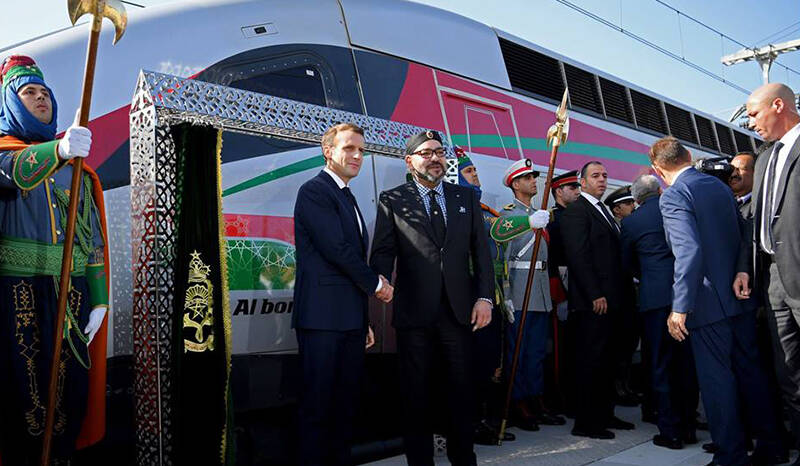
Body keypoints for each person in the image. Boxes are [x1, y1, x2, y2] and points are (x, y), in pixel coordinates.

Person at [0, 55, 110, 464]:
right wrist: (59, 149)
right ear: (10, 102)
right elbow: (16, 173)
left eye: (45, 92)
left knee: (70, 384)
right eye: (29, 92)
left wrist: (98, 295)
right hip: (18, 288)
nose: (41, 98)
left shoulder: (77, 166)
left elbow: (91, 230)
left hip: (72, 286)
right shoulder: (6, 152)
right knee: (23, 383)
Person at [651, 136, 786, 466]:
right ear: (690, 156)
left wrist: (679, 306)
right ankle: (772, 445)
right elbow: (744, 237)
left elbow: (689, 252)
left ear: (656, 169)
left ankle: (731, 455)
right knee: (751, 374)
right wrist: (742, 272)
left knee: (716, 381)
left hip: (707, 304)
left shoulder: (674, 196)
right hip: (739, 299)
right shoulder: (720, 187)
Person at [370, 130, 493, 466]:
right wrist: (377, 283)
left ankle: (463, 459)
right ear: (409, 161)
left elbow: (481, 254)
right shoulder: (392, 199)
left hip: (459, 312)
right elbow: (382, 252)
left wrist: (485, 298)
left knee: (461, 390)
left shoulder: (464, 198)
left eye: (439, 152)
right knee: (416, 394)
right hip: (414, 314)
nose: (435, 158)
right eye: (426, 153)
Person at [292, 122, 393, 465]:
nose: (357, 156)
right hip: (321, 318)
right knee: (317, 406)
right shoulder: (315, 191)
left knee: (344, 406)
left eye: (361, 150)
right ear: (329, 150)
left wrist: (362, 321)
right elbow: (336, 249)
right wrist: (377, 284)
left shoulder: (346, 195)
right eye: (349, 148)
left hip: (348, 320)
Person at [737, 82, 800, 461]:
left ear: (779, 105)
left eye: (754, 113)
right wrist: (747, 268)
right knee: (788, 370)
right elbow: (755, 223)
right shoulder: (763, 159)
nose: (750, 121)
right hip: (772, 278)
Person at [620, 174, 698, 450]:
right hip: (686, 297)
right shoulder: (677, 210)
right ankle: (689, 427)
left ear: (637, 198)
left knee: (661, 365)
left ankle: (671, 432)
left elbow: (627, 263)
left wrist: (648, 278)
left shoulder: (632, 222)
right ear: (659, 191)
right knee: (686, 365)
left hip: (654, 301)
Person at [560, 161, 634, 439]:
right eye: (595, 176)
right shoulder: (577, 212)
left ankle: (606, 414)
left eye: (604, 175)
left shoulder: (603, 211)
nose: (602, 180)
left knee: (608, 361)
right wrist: (595, 294)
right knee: (591, 362)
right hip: (594, 303)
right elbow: (579, 257)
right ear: (582, 181)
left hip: (614, 301)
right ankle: (587, 422)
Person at [497, 158, 564, 431]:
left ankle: (536, 398)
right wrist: (508, 296)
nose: (533, 181)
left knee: (536, 351)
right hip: (521, 291)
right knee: (519, 351)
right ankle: (518, 401)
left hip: (539, 293)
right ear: (515, 184)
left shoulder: (539, 213)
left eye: (534, 177)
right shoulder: (508, 215)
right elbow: (503, 259)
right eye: (527, 178)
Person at [454, 147, 515, 445]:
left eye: (475, 171)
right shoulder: (457, 215)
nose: (475, 175)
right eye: (468, 172)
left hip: (495, 301)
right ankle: (472, 423)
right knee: (472, 366)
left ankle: (490, 420)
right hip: (468, 303)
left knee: (493, 363)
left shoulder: (488, 215)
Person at [603, 184, 641, 409]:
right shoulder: (618, 229)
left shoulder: (627, 227)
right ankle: (619, 387)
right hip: (622, 294)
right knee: (621, 343)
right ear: (617, 210)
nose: (632, 206)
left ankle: (626, 385)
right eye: (627, 204)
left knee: (630, 342)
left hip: (632, 292)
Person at [546, 170, 580, 415]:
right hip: (564, 287)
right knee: (561, 347)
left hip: (580, 289)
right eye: (572, 188)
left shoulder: (577, 216)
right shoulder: (553, 220)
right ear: (559, 191)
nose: (577, 192)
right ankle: (560, 397)